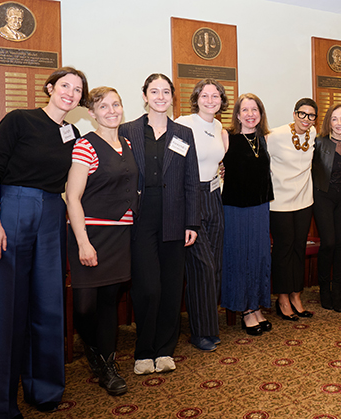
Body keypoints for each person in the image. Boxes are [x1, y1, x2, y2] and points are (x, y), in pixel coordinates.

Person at [0, 66, 88, 417]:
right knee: (8, 311)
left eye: (77, 89)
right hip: (12, 208)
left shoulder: (72, 133)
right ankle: (0, 406)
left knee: (49, 305)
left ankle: (44, 390)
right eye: (65, 85)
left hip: (51, 214)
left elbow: (79, 178)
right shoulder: (19, 120)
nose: (70, 92)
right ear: (50, 88)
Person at [119, 73, 200, 375]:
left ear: (172, 96)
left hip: (175, 218)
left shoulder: (183, 133)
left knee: (170, 286)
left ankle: (165, 350)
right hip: (140, 218)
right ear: (145, 96)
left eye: (166, 91)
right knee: (146, 287)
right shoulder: (127, 131)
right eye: (155, 91)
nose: (161, 97)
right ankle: (144, 350)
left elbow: (191, 180)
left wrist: (192, 221)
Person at [66, 86, 134, 395]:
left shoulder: (129, 145)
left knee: (109, 303)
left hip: (121, 234)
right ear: (92, 114)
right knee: (83, 307)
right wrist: (83, 242)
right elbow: (73, 197)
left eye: (116, 104)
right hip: (90, 234)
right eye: (103, 106)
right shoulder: (85, 146)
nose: (112, 110)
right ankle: (93, 350)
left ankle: (107, 365)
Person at [175, 79, 228, 352]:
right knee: (202, 267)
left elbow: (217, 162)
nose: (211, 100)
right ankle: (200, 332)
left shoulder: (219, 126)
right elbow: (173, 164)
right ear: (196, 98)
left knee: (215, 266)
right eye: (205, 95)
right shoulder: (183, 123)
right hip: (191, 198)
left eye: (216, 95)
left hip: (213, 197)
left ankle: (209, 326)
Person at [220, 93, 274, 335]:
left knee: (260, 257)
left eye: (255, 109)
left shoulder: (264, 139)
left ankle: (256, 306)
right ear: (238, 114)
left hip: (260, 208)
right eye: (245, 110)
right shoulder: (227, 137)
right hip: (236, 209)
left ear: (260, 114)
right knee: (241, 259)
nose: (250, 114)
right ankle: (245, 310)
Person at [268, 98, 318, 321]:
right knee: (283, 249)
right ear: (294, 114)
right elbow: (257, 154)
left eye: (311, 115)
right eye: (302, 114)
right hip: (279, 203)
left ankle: (297, 295)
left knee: (299, 248)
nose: (306, 119)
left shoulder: (313, 133)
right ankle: (282, 297)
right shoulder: (276, 135)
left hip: (304, 201)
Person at [311, 104, 341, 312]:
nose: (340, 123)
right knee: (328, 242)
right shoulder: (318, 142)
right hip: (323, 196)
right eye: (334, 119)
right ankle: (324, 289)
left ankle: (337, 291)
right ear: (328, 122)